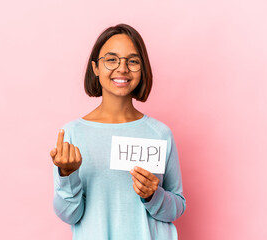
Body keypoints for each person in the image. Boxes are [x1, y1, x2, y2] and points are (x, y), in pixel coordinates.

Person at [50, 23, 186, 240]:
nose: (122, 68)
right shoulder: (72, 134)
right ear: (95, 68)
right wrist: (67, 175)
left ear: (142, 69)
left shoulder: (160, 133)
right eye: (111, 59)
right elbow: (70, 214)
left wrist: (154, 195)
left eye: (132, 61)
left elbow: (177, 207)